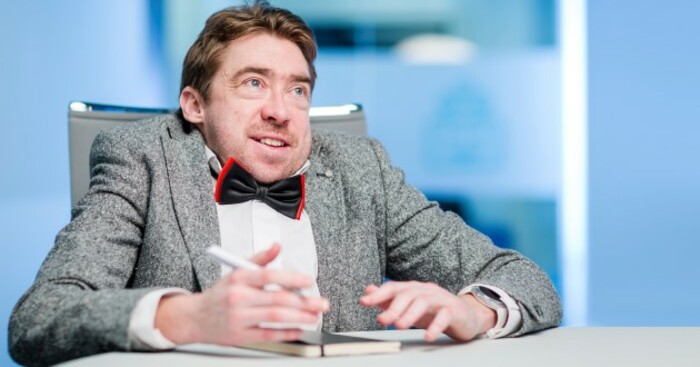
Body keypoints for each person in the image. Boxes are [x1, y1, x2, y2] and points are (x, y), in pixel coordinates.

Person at [9, 1, 562, 365]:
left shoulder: (360, 169)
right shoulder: (141, 159)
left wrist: (478, 310)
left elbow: (525, 279)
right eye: (254, 84)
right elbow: (37, 319)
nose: (281, 111)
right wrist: (188, 316)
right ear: (194, 104)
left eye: (297, 90)